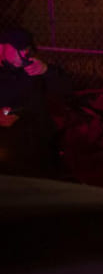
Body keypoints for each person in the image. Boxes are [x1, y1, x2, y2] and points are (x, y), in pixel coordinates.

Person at [0, 27, 72, 178]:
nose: (25, 53)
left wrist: (46, 70)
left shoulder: (30, 69)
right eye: (20, 48)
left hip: (33, 138)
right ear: (2, 47)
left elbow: (66, 89)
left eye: (27, 48)